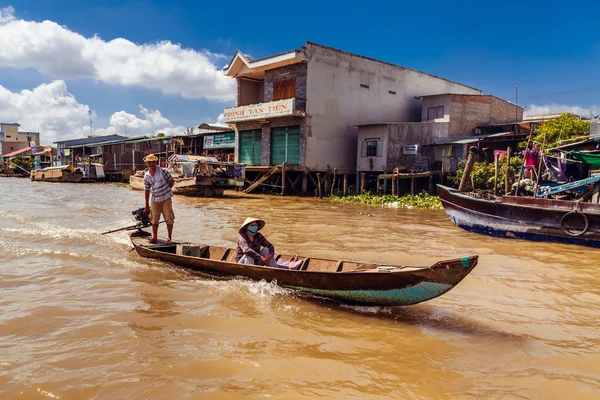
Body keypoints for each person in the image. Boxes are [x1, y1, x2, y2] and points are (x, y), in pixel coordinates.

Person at [236, 217, 302, 269]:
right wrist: (261, 257)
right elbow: (246, 250)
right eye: (252, 225)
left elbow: (270, 246)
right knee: (248, 255)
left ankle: (275, 269)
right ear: (246, 227)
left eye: (256, 225)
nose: (254, 227)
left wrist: (269, 256)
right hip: (242, 264)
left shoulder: (258, 236)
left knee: (266, 249)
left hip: (256, 262)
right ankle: (251, 273)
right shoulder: (242, 238)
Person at [143, 154, 175, 244]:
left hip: (166, 198)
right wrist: (146, 205)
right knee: (154, 219)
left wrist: (166, 191)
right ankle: (155, 237)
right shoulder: (146, 176)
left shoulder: (163, 171)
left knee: (169, 218)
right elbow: (146, 190)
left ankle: (169, 238)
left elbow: (171, 181)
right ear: (147, 164)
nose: (151, 164)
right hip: (155, 199)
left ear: (155, 162)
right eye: (149, 162)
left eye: (153, 162)